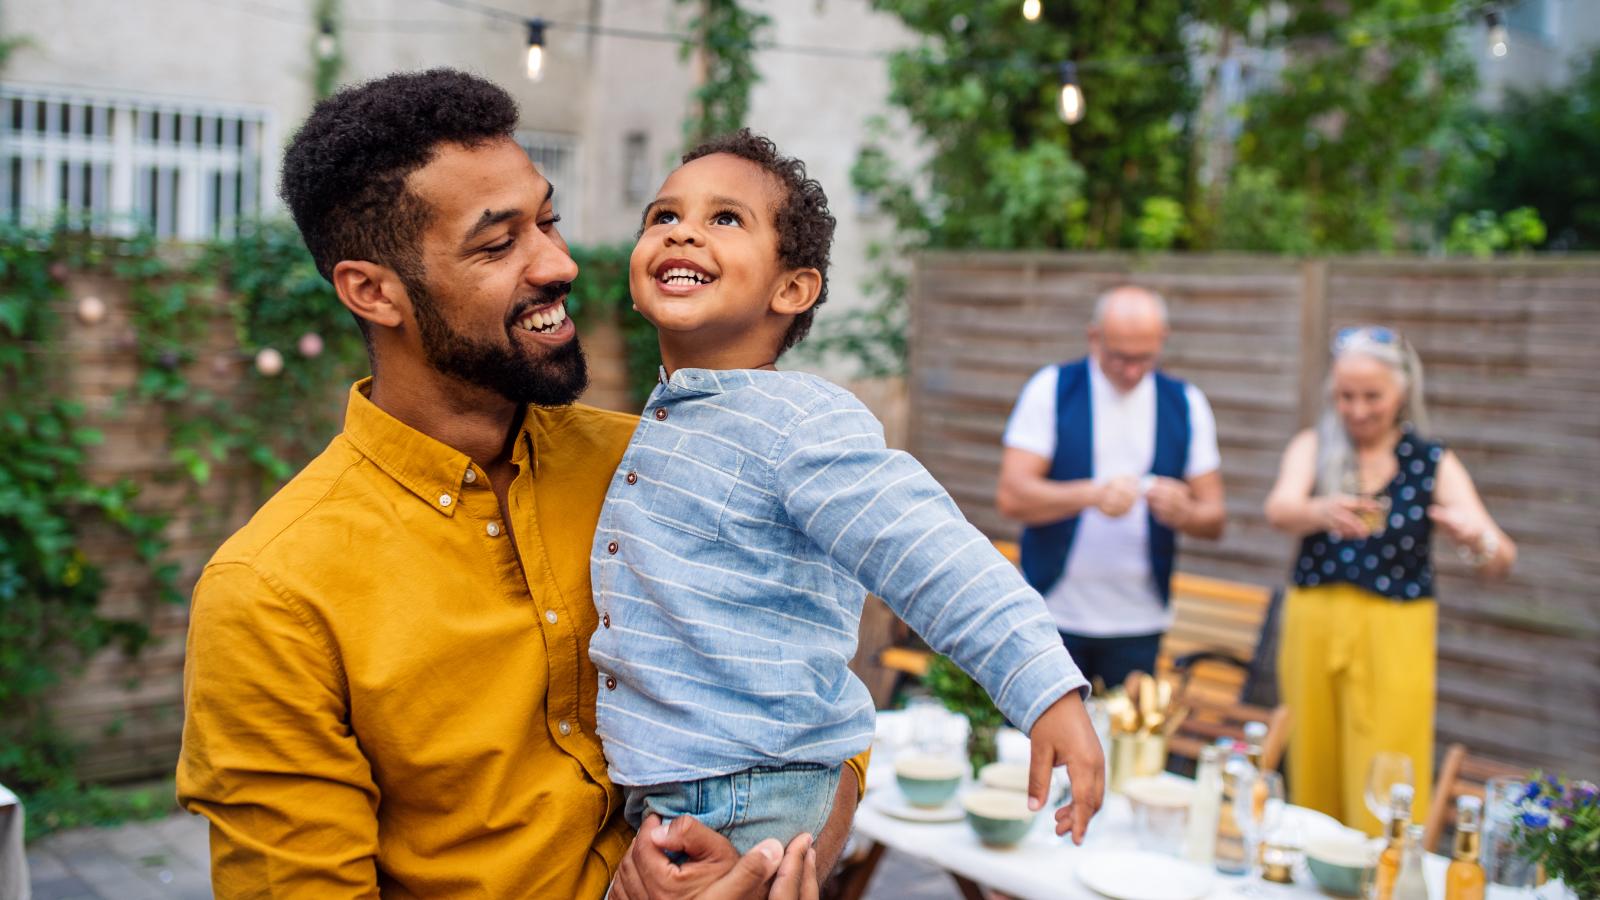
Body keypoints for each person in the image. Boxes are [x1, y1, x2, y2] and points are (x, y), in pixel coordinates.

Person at [176, 69, 853, 899]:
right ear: (371, 291)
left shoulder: (661, 461)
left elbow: (819, 691)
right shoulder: (272, 597)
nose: (560, 263)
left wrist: (778, 854)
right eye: (498, 245)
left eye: (550, 220)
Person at [590, 130, 1106, 856]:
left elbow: (929, 554)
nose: (683, 233)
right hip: (684, 787)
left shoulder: (800, 421)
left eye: (725, 219)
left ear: (792, 288)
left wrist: (1045, 689)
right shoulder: (668, 418)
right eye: (663, 216)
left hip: (743, 789)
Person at [1265, 325, 1515, 833]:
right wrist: (1321, 510)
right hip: (1314, 619)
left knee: (1388, 761)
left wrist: (1473, 537)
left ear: (1403, 392)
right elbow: (1279, 510)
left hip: (1395, 629)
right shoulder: (1316, 445)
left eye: (1372, 396)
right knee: (1312, 752)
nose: (1357, 410)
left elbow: (1501, 557)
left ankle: (1384, 874)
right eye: (1345, 396)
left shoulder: (1431, 461)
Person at [996, 286, 1226, 690]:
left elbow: (1214, 519)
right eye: (1120, 356)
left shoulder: (1187, 403)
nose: (1132, 370)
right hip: (1050, 614)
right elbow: (1012, 496)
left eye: (1144, 358)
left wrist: (1184, 512)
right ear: (1093, 336)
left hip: (1140, 621)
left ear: (1163, 339)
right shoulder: (1051, 389)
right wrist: (1092, 495)